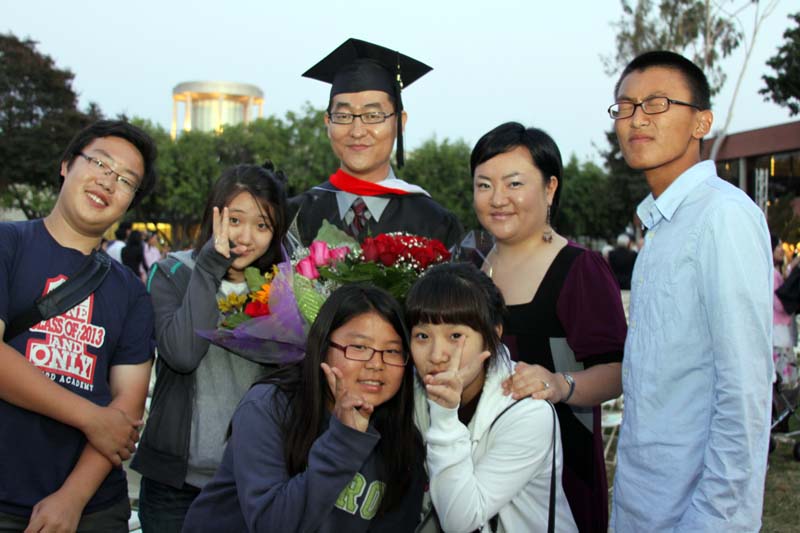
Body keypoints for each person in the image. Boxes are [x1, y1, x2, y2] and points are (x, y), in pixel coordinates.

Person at [609, 51, 772, 531]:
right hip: (644, 501)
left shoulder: (722, 216)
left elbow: (744, 390)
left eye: (657, 103)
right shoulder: (662, 226)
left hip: (695, 514)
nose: (637, 119)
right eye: (625, 106)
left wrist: (713, 519)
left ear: (701, 122)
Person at [0, 120, 157, 532]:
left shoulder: (132, 293)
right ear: (67, 165)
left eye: (126, 180)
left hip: (93, 507)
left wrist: (73, 498)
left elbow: (126, 409)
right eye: (100, 163)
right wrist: (90, 417)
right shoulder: (7, 244)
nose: (108, 181)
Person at [470, 122, 626, 533]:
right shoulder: (470, 270)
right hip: (479, 473)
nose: (497, 199)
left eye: (514, 183)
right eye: (484, 185)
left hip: (558, 480)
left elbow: (617, 371)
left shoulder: (579, 269)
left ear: (550, 187)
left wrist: (559, 384)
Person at [182, 284, 425, 532]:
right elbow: (273, 525)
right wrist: (345, 440)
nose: (376, 364)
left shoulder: (404, 442)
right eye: (359, 347)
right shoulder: (268, 407)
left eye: (392, 351)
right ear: (323, 348)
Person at [131, 163, 288, 532]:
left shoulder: (283, 287)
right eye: (235, 220)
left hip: (252, 482)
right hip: (175, 484)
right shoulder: (174, 273)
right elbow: (183, 355)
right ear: (213, 215)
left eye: (262, 225)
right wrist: (208, 268)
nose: (246, 237)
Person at [408, 263, 577, 532]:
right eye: (422, 336)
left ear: (493, 335)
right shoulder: (414, 391)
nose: (436, 355)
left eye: (455, 336)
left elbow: (460, 521)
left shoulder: (528, 412)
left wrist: (444, 417)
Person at [289, 38, 463, 248]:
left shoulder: (434, 222)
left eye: (373, 116)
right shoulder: (294, 217)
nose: (357, 131)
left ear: (399, 122)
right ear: (328, 122)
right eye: (343, 116)